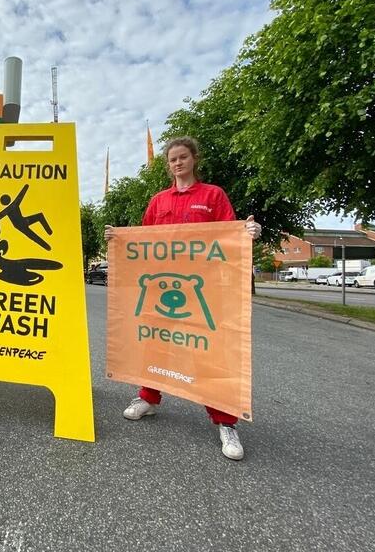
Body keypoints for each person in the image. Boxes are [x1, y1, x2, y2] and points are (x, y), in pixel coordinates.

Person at [104, 136, 262, 460]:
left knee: (209, 352)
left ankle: (225, 422)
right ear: (168, 165)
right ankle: (148, 397)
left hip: (201, 289)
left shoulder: (213, 195)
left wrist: (247, 234)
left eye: (183, 157)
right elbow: (143, 240)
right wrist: (116, 239)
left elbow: (230, 234)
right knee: (156, 342)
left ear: (194, 159)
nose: (178, 163)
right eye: (172, 159)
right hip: (162, 289)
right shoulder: (158, 201)